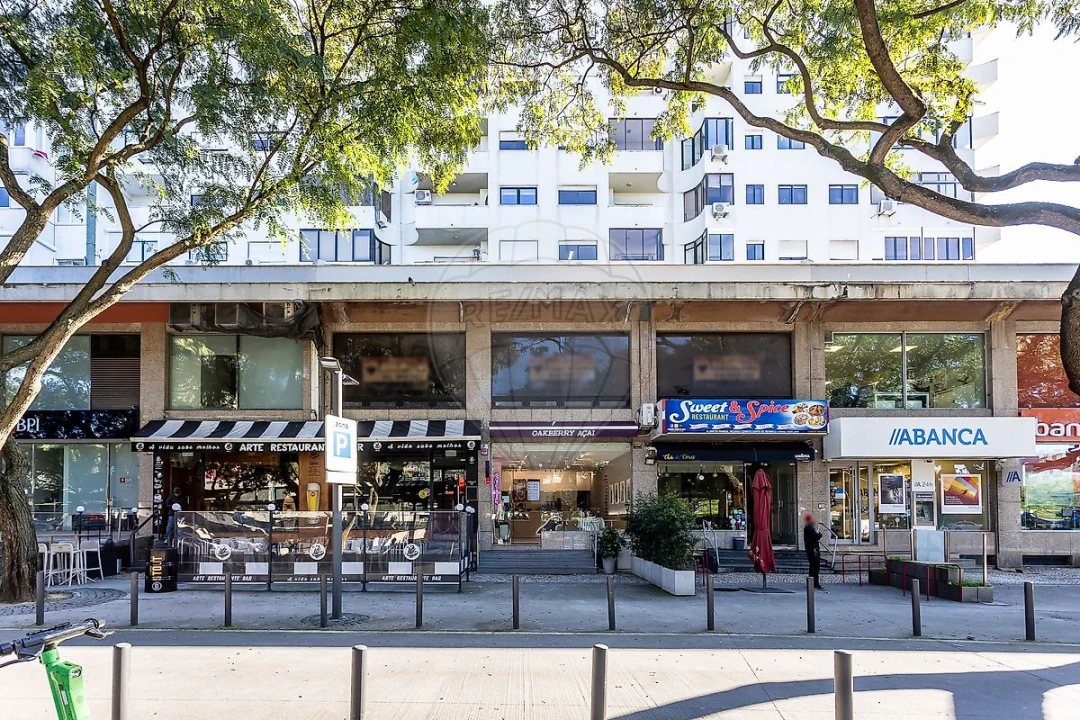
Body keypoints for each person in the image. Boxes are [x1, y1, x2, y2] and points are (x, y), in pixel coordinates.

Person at [803, 513, 823, 590]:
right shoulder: (809, 528)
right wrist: (818, 533)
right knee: (815, 566)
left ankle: (812, 582)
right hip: (813, 549)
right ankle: (815, 583)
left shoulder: (808, 528)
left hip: (810, 548)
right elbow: (818, 536)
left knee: (813, 566)